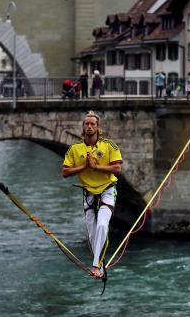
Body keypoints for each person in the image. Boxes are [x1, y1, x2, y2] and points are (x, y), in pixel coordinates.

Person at [62, 111, 123, 279]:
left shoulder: (109, 145)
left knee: (102, 225)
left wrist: (96, 167)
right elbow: (65, 172)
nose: (89, 127)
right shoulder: (75, 149)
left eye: (92, 124)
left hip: (107, 190)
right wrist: (84, 168)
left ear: (98, 127)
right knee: (92, 233)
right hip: (88, 193)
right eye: (86, 124)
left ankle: (96, 266)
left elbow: (117, 169)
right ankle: (101, 264)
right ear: (83, 127)